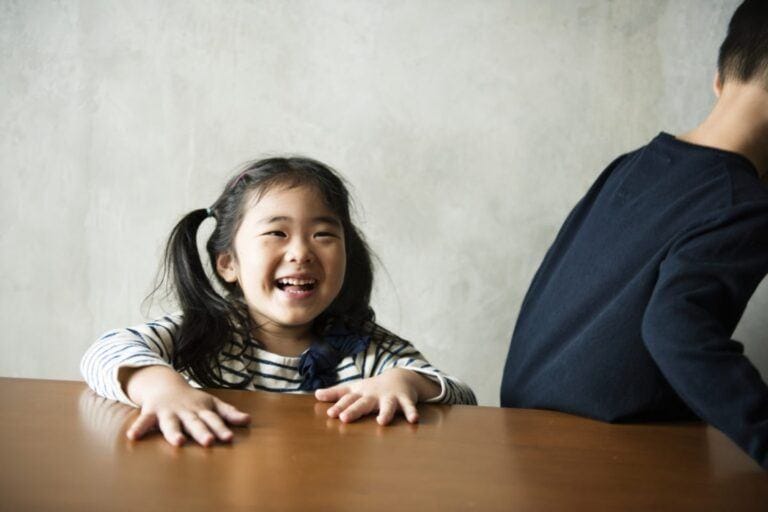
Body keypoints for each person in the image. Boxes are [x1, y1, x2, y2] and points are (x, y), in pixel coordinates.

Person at [501, 0, 768, 468]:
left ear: (720, 78)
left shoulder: (632, 165)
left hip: (523, 435)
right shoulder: (743, 205)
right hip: (610, 461)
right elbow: (676, 330)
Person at [82, 157, 476, 447]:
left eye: (323, 234)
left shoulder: (364, 348)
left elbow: (462, 396)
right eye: (276, 233)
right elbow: (104, 352)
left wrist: (404, 381)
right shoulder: (204, 333)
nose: (301, 252)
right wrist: (162, 389)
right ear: (228, 264)